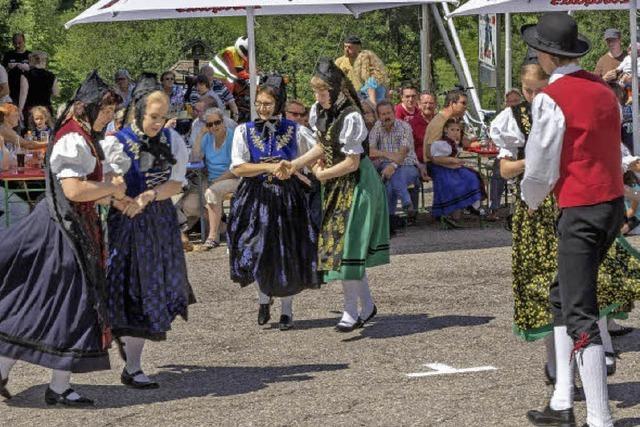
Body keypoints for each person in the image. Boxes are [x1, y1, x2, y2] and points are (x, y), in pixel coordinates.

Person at [521, 13, 624, 427]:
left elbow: (541, 165)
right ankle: (562, 402)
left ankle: (600, 418)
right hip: (610, 202)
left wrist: (529, 200)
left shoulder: (551, 97)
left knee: (579, 310)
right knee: (563, 296)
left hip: (580, 208)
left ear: (546, 55)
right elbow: (610, 143)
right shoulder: (602, 88)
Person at [0, 71, 124, 406]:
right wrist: (111, 187)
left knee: (56, 303)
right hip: (60, 231)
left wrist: (114, 194)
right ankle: (47, 383)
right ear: (88, 107)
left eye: (111, 112)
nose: (108, 117)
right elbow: (73, 190)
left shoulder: (82, 135)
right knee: (61, 302)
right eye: (106, 110)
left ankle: (55, 385)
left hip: (73, 227)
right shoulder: (73, 138)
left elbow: (89, 193)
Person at [283, 58, 390, 332]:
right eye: (316, 91)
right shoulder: (321, 110)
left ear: (336, 89)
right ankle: (366, 307)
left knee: (348, 247)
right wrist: (295, 164)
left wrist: (322, 175)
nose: (317, 96)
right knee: (342, 248)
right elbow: (322, 144)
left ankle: (350, 311)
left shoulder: (352, 115)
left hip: (357, 183)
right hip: (335, 182)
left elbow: (352, 162)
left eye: (321, 91)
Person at [100, 76, 192, 390]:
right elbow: (106, 185)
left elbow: (177, 183)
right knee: (126, 288)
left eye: (163, 116)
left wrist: (150, 195)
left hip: (158, 220)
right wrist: (123, 199)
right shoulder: (115, 142)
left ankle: (134, 365)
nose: (159, 122)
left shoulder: (173, 141)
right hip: (125, 221)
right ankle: (126, 356)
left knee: (151, 287)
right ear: (139, 111)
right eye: (153, 116)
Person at [227, 82, 318, 331]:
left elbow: (316, 154)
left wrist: (296, 168)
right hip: (255, 196)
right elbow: (237, 167)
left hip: (286, 197)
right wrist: (268, 167)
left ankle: (287, 310)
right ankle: (264, 297)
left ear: (278, 104)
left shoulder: (296, 130)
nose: (262, 108)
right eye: (259, 104)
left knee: (285, 251)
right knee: (255, 248)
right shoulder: (243, 131)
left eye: (267, 104)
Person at [369, 101, 425, 231]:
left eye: (388, 113)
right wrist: (389, 155)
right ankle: (405, 203)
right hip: (386, 165)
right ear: (378, 116)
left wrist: (393, 165)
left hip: (409, 165)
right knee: (389, 183)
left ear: (394, 113)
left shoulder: (404, 127)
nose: (386, 116)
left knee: (392, 177)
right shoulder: (377, 127)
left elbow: (403, 153)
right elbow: (370, 150)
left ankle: (390, 219)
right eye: (383, 114)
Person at [190, 107, 239, 248]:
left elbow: (236, 168)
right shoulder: (207, 138)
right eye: (209, 124)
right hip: (211, 180)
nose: (214, 127)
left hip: (233, 178)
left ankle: (212, 237)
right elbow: (195, 158)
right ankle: (224, 227)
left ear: (223, 122)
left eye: (217, 122)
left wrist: (216, 182)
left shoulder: (233, 137)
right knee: (191, 205)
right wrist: (200, 134)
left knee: (211, 192)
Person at [430, 119, 484, 227]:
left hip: (452, 167)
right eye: (452, 130)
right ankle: (450, 212)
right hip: (441, 168)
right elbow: (437, 159)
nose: (455, 132)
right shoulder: (440, 143)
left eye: (458, 130)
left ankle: (471, 204)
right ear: (446, 130)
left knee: (473, 176)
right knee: (453, 183)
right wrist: (455, 162)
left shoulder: (453, 143)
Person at [423, 89, 477, 163]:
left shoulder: (451, 121)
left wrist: (483, 142)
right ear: (452, 103)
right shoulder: (439, 122)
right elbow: (429, 153)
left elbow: (464, 142)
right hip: (437, 168)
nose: (466, 107)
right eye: (463, 103)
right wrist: (453, 163)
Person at [335, 35, 389, 105]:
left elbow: (373, 101)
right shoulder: (339, 61)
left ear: (358, 47)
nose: (346, 49)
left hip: (362, 96)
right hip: (347, 96)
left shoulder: (364, 59)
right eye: (345, 46)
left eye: (349, 47)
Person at [23, 51, 59, 116]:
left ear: (32, 61)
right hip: (46, 109)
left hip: (30, 109)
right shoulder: (52, 76)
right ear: (44, 61)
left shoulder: (26, 75)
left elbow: (23, 94)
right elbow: (56, 93)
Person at [2, 33, 31, 106]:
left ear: (24, 41)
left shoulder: (30, 55)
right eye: (15, 43)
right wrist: (8, 68)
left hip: (27, 91)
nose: (17, 45)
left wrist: (28, 68)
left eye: (19, 43)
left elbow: (36, 73)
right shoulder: (8, 55)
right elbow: (2, 73)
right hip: (11, 90)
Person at [409, 91, 437, 167]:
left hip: (441, 161)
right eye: (425, 103)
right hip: (420, 164)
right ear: (419, 105)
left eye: (431, 103)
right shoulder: (411, 124)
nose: (428, 106)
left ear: (435, 105)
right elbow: (408, 150)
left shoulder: (440, 122)